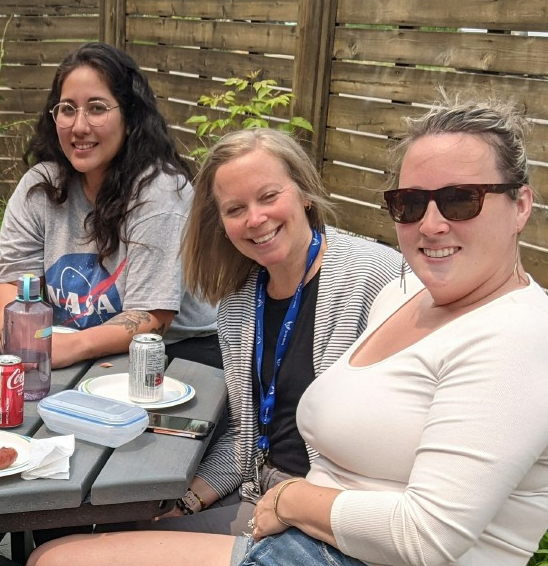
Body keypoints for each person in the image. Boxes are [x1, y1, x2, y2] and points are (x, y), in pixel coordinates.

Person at [0, 97, 548, 566]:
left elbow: (431, 533)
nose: (432, 222)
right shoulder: (409, 295)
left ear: (521, 204)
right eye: (411, 203)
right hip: (303, 557)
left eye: (462, 199)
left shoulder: (523, 339)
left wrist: (294, 501)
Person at [158, 129, 401, 534]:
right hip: (260, 502)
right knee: (112, 542)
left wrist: (301, 506)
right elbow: (246, 434)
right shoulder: (238, 303)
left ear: (304, 192)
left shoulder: (375, 277)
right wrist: (188, 502)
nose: (255, 219)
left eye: (269, 197)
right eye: (235, 209)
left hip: (334, 518)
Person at [0, 42, 219, 367]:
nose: (79, 126)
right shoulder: (40, 186)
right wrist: (17, 329)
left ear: (130, 117)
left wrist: (66, 348)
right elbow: (11, 281)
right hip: (80, 351)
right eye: (67, 109)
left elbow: (153, 317)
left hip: (177, 353)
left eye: (97, 108)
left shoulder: (162, 193)